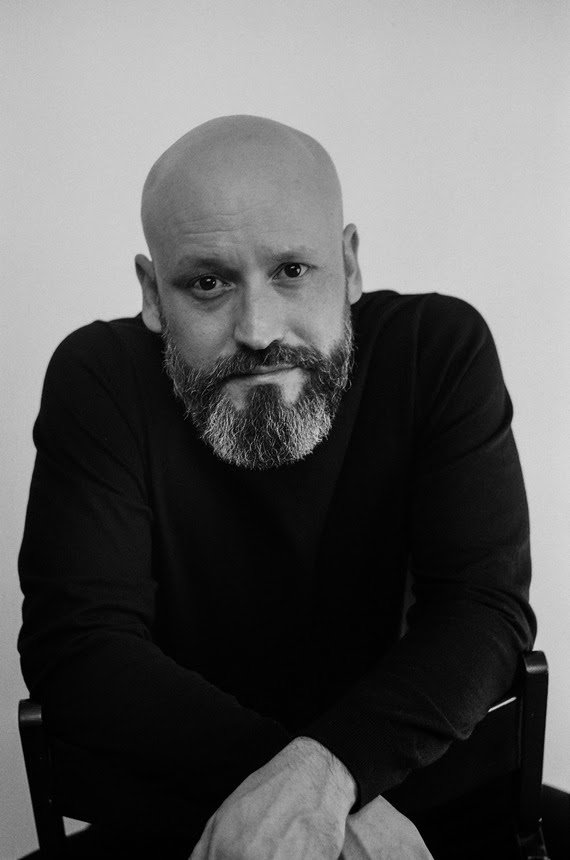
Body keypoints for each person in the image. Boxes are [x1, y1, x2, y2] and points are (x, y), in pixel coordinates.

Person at [18, 115, 536, 859]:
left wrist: (330, 774)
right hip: (189, 825)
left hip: (431, 811)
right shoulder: (99, 378)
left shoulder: (437, 350)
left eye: (292, 270)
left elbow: (481, 612)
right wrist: (323, 802)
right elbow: (79, 647)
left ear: (348, 264)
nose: (258, 330)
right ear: (153, 292)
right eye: (207, 283)